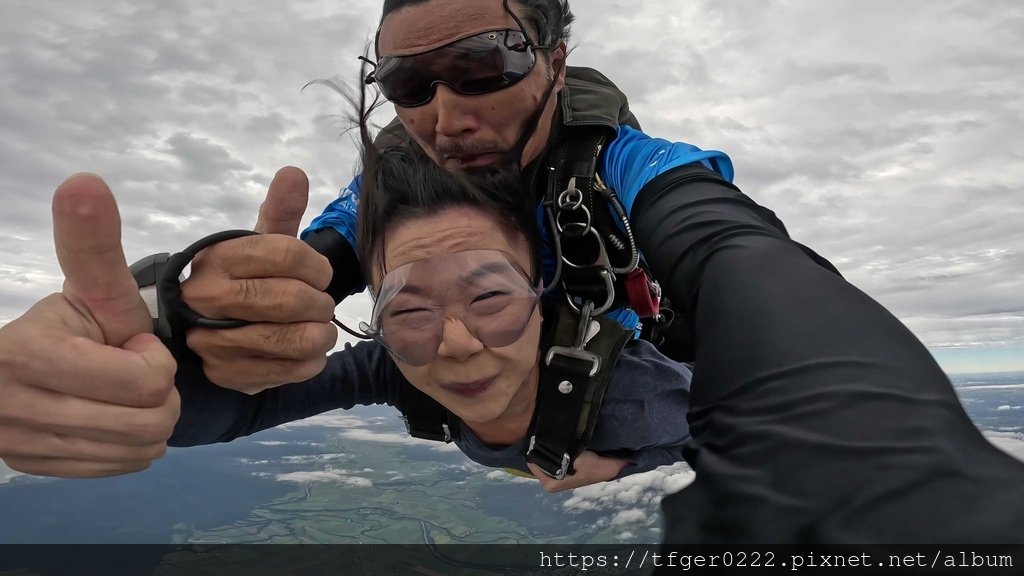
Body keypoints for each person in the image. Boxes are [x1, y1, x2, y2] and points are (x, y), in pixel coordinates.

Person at [3, 0, 1024, 543]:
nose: (446, 115)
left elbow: (733, 254)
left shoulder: (625, 170)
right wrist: (151, 327)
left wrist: (887, 468)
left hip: (656, 396)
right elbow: (269, 311)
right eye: (404, 82)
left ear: (552, 49)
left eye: (485, 64)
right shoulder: (395, 217)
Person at [167, 115, 695, 490]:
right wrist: (158, 351)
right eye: (410, 310)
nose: (457, 345)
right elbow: (236, 405)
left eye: (490, 297)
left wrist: (624, 465)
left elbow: (750, 425)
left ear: (539, 293)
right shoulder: (396, 365)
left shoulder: (633, 394)